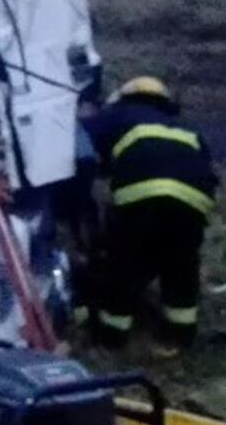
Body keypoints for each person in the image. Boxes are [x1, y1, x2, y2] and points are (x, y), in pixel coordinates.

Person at [82, 76, 218, 354]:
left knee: (125, 264)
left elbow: (79, 143)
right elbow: (204, 164)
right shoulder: (185, 127)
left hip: (140, 194)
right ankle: (180, 335)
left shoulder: (116, 115)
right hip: (193, 200)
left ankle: (112, 337)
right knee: (181, 264)